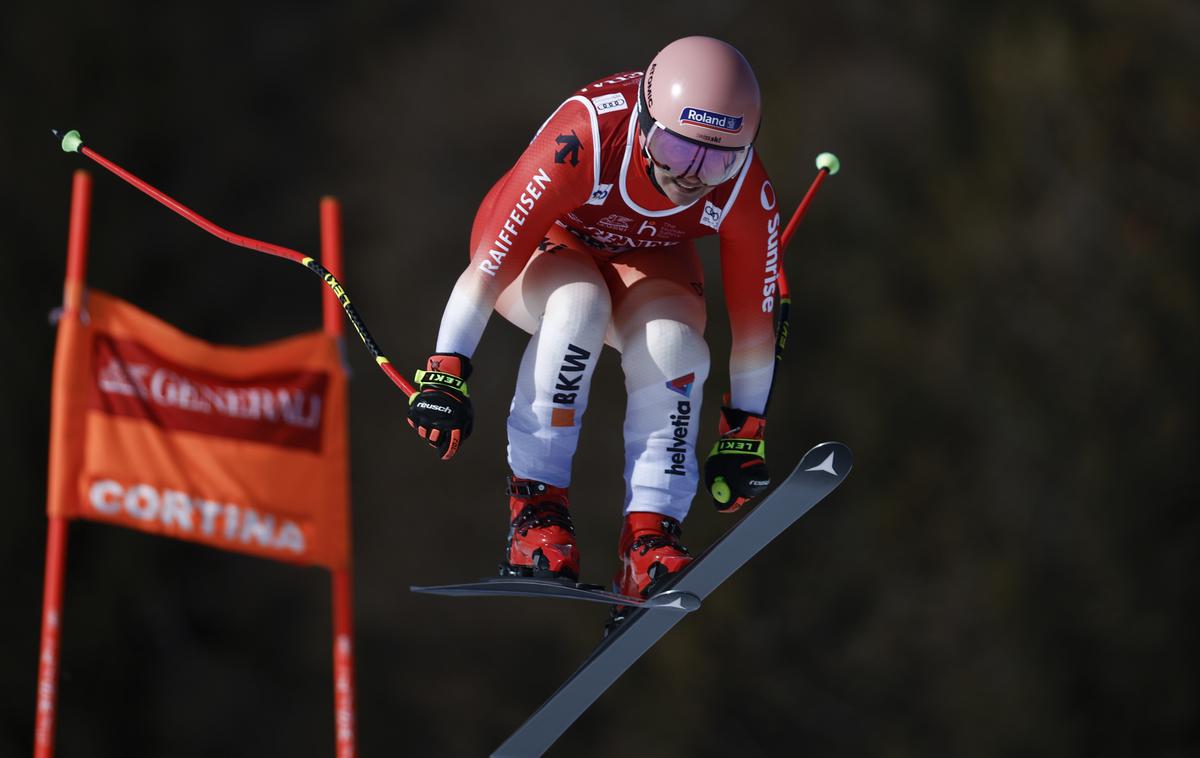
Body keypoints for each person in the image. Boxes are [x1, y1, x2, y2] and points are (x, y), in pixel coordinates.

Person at [407, 36, 779, 613]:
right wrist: (446, 368)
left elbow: (756, 328)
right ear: (644, 122)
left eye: (719, 160)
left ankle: (651, 539)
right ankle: (536, 510)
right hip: (543, 247)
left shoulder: (747, 190)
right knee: (579, 304)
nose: (692, 177)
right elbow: (487, 269)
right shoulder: (586, 135)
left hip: (649, 255)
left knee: (676, 346)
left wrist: (743, 434)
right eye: (677, 152)